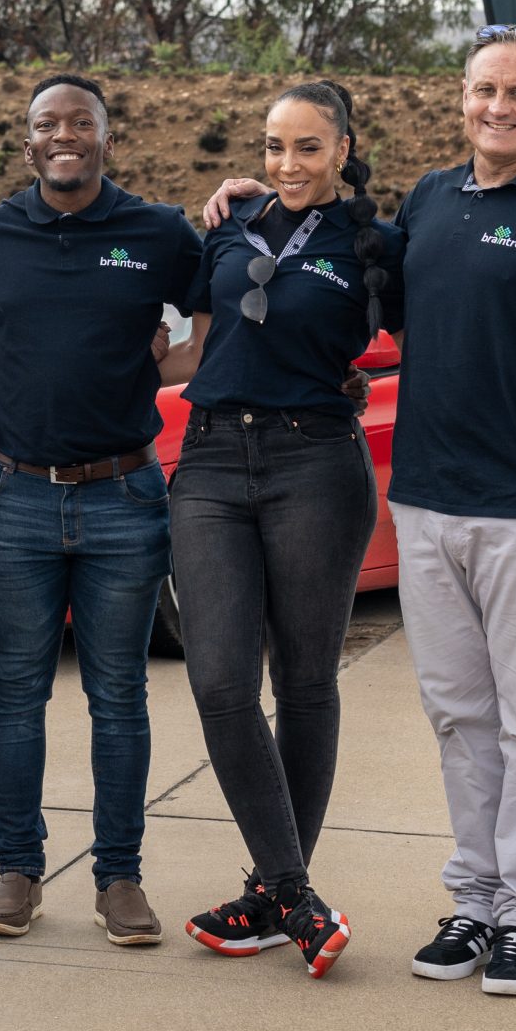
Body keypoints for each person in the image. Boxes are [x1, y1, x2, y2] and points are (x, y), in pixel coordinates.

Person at [208, 27, 516, 997]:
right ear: (459, 98)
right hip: (423, 502)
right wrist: (249, 198)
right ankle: (473, 901)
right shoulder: (426, 203)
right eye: (481, 89)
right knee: (456, 716)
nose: (496, 106)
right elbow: (342, 257)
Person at [0, 75, 201, 950]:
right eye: (48, 124)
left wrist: (168, 365)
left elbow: (217, 306)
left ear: (105, 138)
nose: (64, 136)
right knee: (15, 693)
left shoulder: (156, 232)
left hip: (124, 493)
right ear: (29, 139)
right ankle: (17, 870)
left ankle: (118, 877)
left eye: (80, 122)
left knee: (118, 696)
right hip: (13, 495)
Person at [158, 79, 398, 978]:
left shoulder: (378, 245)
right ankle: (294, 898)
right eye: (271, 147)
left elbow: (439, 332)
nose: (285, 164)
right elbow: (194, 341)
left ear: (342, 148)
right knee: (220, 681)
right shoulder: (227, 226)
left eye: (305, 147)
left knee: (303, 682)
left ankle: (270, 892)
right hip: (213, 461)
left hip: (315, 463)